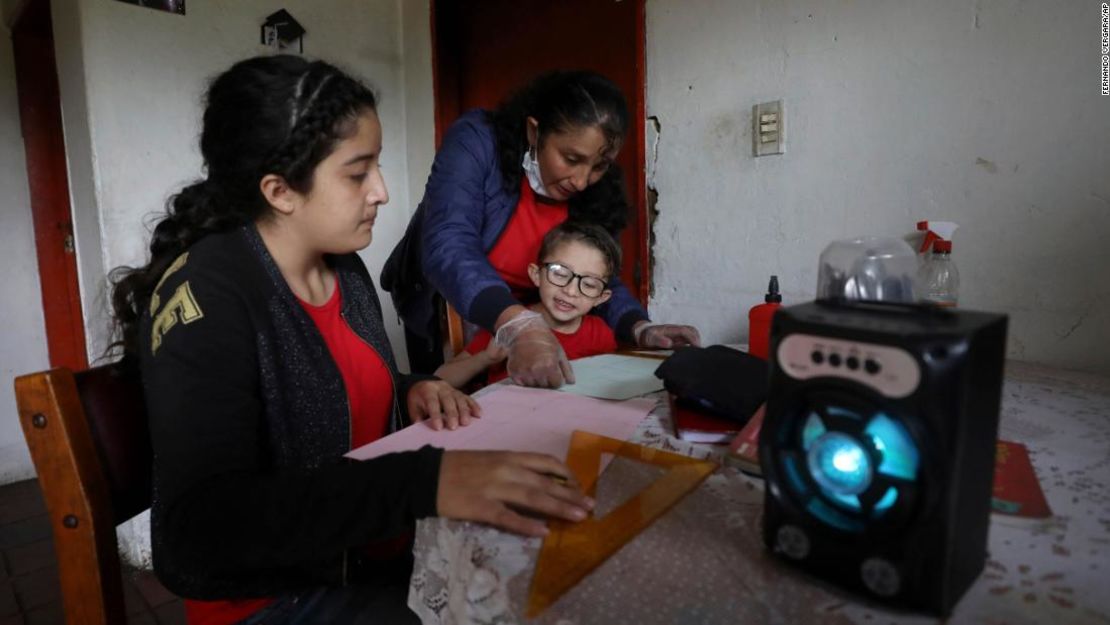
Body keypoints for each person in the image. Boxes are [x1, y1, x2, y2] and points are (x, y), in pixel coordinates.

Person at [109, 55, 593, 625]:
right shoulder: (212, 295)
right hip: (273, 599)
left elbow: (326, 392)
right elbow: (201, 529)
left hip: (363, 557)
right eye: (358, 172)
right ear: (280, 190)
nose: (382, 192)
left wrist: (406, 390)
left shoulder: (344, 271)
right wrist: (426, 481)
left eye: (377, 167)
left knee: (553, 575)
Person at [382, 70, 700, 388]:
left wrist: (639, 327)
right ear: (535, 132)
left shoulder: (594, 195)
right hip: (447, 301)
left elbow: (600, 277)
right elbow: (448, 243)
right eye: (571, 158)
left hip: (530, 317)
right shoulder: (477, 141)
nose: (581, 180)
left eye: (599, 166)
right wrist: (517, 323)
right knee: (444, 406)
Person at [435, 221, 620, 388]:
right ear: (536, 274)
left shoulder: (600, 335)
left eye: (588, 284)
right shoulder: (513, 325)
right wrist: (486, 358)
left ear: (601, 297)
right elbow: (440, 378)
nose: (570, 291)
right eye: (560, 274)